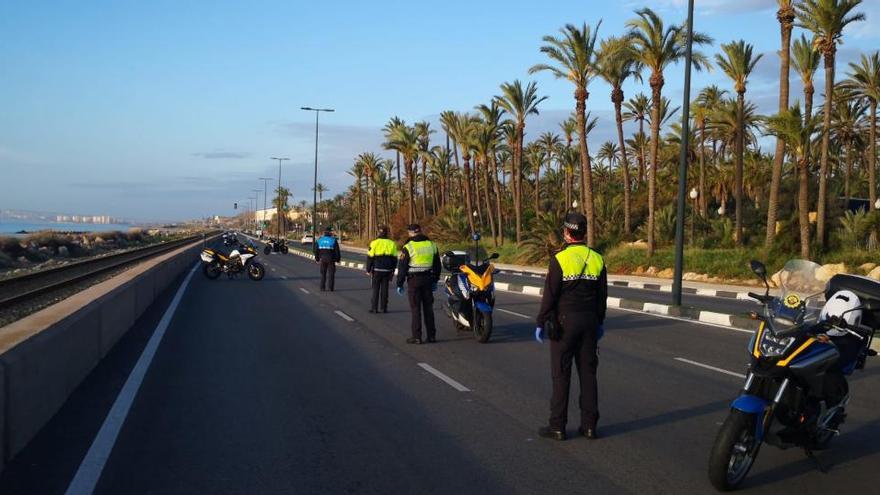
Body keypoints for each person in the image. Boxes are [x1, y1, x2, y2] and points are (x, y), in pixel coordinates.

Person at [535, 212, 607, 441]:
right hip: (589, 322)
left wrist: (540, 321)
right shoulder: (597, 258)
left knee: (561, 375)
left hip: (565, 323)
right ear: (584, 232)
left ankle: (557, 426)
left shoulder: (559, 259)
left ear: (566, 232)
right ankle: (589, 427)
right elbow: (602, 297)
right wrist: (599, 322)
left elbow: (550, 295)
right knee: (588, 374)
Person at [396, 224, 441, 344]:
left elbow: (402, 267)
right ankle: (431, 336)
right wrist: (435, 280)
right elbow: (437, 265)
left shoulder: (409, 247)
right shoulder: (432, 245)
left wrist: (399, 284)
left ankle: (416, 337)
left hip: (414, 281)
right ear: (420, 232)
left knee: (416, 309)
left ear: (410, 233)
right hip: (428, 279)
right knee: (428, 309)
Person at [366, 225, 398, 313]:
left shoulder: (374, 243)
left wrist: (368, 269)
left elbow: (370, 257)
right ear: (387, 233)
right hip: (387, 270)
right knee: (385, 289)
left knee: (375, 288)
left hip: (377, 269)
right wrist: (393, 269)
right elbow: (395, 258)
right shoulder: (392, 243)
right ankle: (384, 308)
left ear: (379, 233)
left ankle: (374, 308)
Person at [314, 227, 341, 291]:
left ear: (324, 232)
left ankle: (322, 287)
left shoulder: (319, 240)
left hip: (323, 259)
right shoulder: (333, 240)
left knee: (323, 274)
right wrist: (337, 259)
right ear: (330, 232)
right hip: (331, 259)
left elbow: (316, 251)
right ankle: (330, 287)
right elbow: (337, 251)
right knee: (331, 274)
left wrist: (317, 259)